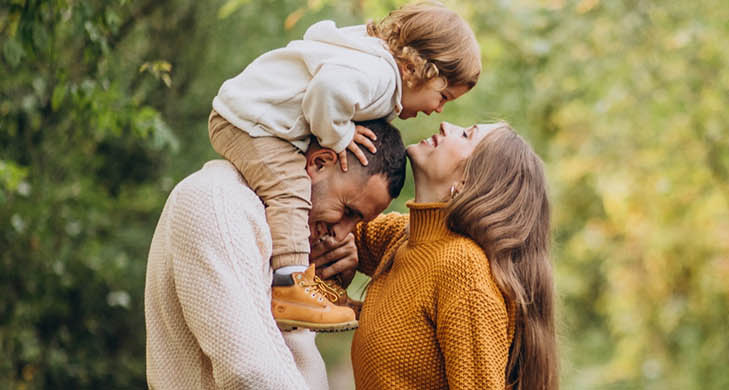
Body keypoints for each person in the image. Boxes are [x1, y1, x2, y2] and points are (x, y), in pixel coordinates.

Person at [208, 1, 481, 330]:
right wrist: (338, 136)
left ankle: (312, 290)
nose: (439, 110)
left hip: (254, 119)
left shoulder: (373, 67)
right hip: (248, 121)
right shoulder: (379, 75)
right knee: (291, 192)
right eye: (444, 96)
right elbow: (327, 88)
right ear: (414, 69)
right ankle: (290, 290)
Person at [144, 120, 408, 389]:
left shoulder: (278, 235)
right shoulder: (215, 200)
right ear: (319, 163)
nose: (341, 235)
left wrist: (316, 281)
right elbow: (248, 373)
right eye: (348, 212)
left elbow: (277, 349)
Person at [320, 122, 559, 389]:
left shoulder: (463, 270)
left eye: (467, 134)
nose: (447, 125)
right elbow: (325, 225)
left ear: (469, 180)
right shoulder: (404, 238)